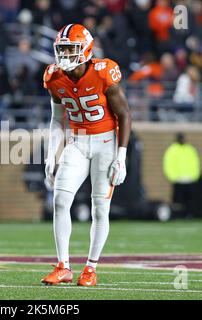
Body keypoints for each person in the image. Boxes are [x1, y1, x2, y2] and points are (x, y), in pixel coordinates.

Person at [41, 24, 131, 286]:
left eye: (71, 49)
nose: (65, 55)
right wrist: (51, 155)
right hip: (78, 142)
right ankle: (63, 266)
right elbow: (57, 120)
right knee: (60, 200)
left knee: (100, 209)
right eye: (62, 49)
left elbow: (124, 114)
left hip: (106, 143)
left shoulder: (104, 72)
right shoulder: (54, 77)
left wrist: (121, 156)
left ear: (86, 49)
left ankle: (90, 269)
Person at [163, 133, 201, 218]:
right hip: (178, 179)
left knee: (190, 200)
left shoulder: (190, 149)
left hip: (190, 179)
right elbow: (168, 163)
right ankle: (178, 215)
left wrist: (195, 175)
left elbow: (195, 162)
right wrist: (173, 177)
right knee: (178, 201)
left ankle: (189, 215)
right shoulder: (173, 149)